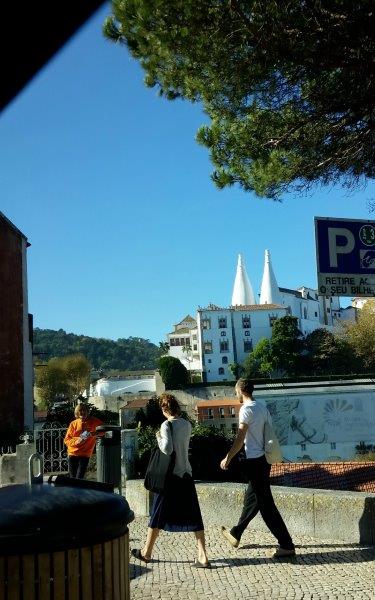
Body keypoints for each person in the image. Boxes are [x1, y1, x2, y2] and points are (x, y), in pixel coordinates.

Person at [131, 393, 210, 568]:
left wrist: (158, 436)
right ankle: (203, 556)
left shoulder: (166, 425)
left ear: (165, 409)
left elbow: (167, 449)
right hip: (186, 474)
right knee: (194, 514)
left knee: (157, 513)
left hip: (170, 477)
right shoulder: (187, 424)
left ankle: (147, 552)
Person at [220, 378, 295, 558]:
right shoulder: (262, 408)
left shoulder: (246, 410)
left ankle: (287, 545)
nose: (235, 394)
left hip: (254, 461)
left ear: (240, 390)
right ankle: (235, 533)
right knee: (252, 498)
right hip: (264, 460)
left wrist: (228, 458)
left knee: (266, 507)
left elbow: (240, 438)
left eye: (235, 391)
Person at [64, 404, 103, 479]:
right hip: (73, 454)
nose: (82, 412)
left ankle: (78, 490)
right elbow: (67, 440)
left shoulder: (94, 421)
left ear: (88, 411)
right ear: (77, 413)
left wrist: (94, 433)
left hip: (85, 455)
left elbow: (105, 430)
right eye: (80, 411)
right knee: (73, 479)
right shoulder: (73, 424)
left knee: (79, 478)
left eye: (84, 410)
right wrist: (77, 441)